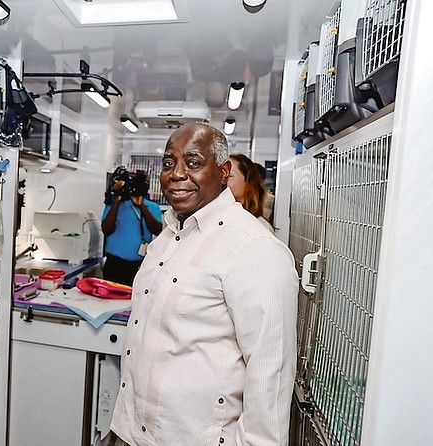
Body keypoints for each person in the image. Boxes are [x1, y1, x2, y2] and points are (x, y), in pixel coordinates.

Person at [110, 123, 298, 446]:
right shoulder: (169, 237)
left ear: (223, 172)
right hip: (132, 433)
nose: (176, 174)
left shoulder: (254, 248)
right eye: (169, 162)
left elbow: (270, 377)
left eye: (194, 163)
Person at [101, 167, 162, 286]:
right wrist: (117, 200)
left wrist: (142, 206)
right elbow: (106, 229)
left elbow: (157, 230)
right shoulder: (114, 205)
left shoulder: (152, 207)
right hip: (114, 264)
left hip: (139, 266)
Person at [227, 153, 275, 233]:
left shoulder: (261, 227)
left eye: (230, 175)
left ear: (248, 182)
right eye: (221, 174)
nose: (223, 180)